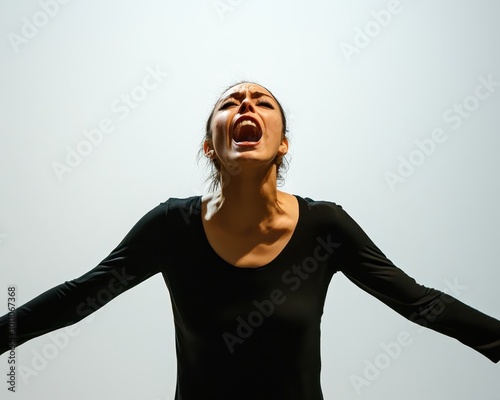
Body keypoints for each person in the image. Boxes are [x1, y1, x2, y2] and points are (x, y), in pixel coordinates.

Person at [1, 82, 499, 399]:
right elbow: (78, 298)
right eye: (230, 103)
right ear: (210, 145)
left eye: (262, 101)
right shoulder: (172, 228)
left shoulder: (325, 227)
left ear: (282, 142)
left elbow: (419, 302)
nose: (245, 105)